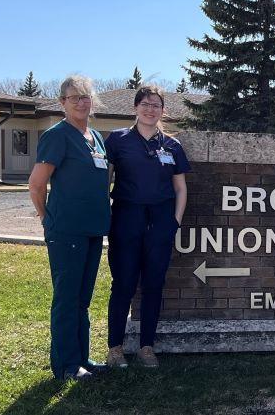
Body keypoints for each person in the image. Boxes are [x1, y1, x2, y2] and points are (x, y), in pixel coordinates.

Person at [28, 75, 110, 380]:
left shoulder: (95, 137)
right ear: (63, 103)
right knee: (67, 297)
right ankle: (65, 365)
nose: (81, 102)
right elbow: (37, 184)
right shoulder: (57, 135)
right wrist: (46, 218)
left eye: (86, 96)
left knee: (82, 298)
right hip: (67, 230)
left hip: (92, 229)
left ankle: (82, 358)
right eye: (74, 97)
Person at [104, 85, 190, 368]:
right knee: (124, 283)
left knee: (154, 284)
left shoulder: (172, 146)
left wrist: (174, 222)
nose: (150, 109)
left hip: (161, 221)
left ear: (163, 110)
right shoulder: (118, 140)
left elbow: (180, 187)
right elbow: (105, 181)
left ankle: (146, 347)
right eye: (145, 103)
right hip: (126, 218)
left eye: (156, 105)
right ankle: (115, 348)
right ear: (135, 107)